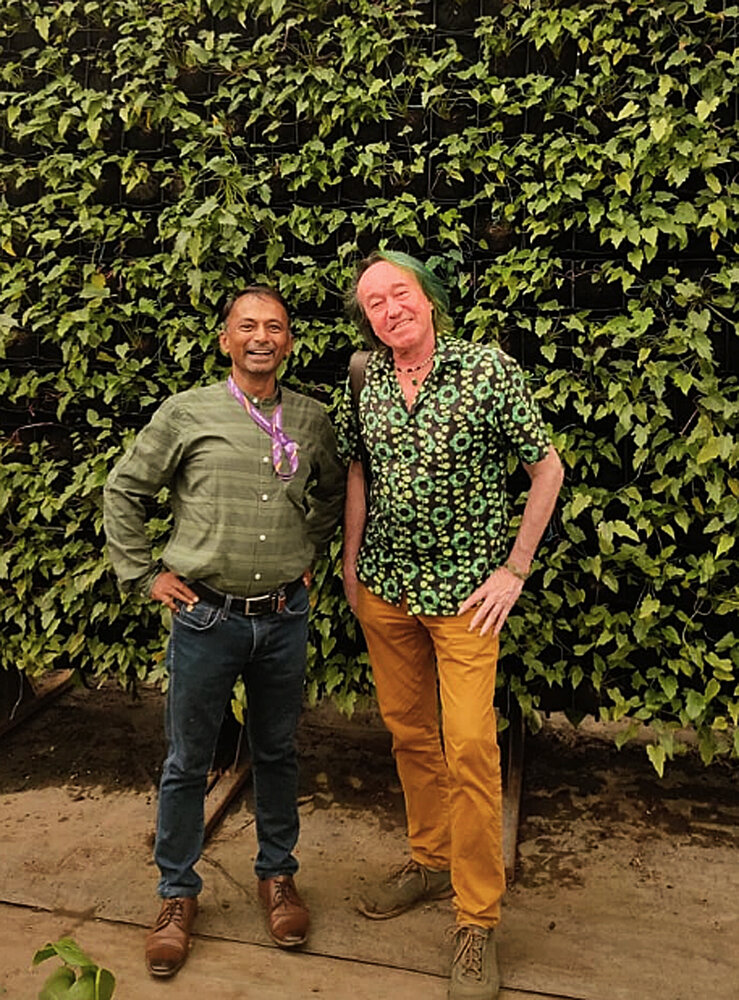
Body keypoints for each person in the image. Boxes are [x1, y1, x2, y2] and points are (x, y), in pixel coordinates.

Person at [336, 251, 564, 1000]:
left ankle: (477, 919)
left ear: (429, 298)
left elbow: (547, 467)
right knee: (408, 731)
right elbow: (359, 469)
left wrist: (515, 569)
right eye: (374, 302)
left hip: (467, 599)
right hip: (386, 590)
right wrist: (351, 564)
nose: (389, 309)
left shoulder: (487, 370)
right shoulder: (365, 378)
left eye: (399, 293)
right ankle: (431, 859)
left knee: (468, 745)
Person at [103, 285, 345, 978]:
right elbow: (125, 490)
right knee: (188, 761)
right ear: (225, 340)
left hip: (283, 618)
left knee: (277, 752)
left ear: (289, 342)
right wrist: (143, 574)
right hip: (205, 618)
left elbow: (333, 491)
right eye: (247, 326)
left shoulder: (312, 419)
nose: (261, 336)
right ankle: (176, 894)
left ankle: (278, 876)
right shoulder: (188, 413)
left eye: (274, 326)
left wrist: (307, 549)